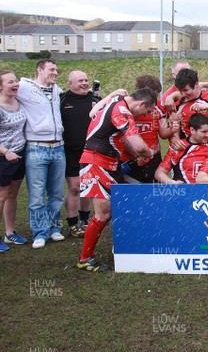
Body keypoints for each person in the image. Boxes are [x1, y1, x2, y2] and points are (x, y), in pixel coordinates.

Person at [77, 88, 156, 271]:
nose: (145, 115)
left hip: (108, 163)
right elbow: (139, 146)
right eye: (147, 111)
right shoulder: (123, 111)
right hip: (96, 162)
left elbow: (92, 113)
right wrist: (149, 152)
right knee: (103, 213)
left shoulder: (117, 100)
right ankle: (85, 258)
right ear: (141, 104)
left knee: (119, 207)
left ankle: (125, 249)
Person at [18, 59, 66, 249]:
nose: (55, 72)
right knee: (37, 194)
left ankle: (54, 228)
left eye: (56, 69)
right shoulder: (24, 87)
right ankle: (39, 232)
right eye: (51, 69)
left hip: (58, 147)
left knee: (56, 193)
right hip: (36, 147)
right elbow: (7, 91)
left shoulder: (57, 90)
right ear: (39, 70)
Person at [60, 70, 101, 237]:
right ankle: (73, 223)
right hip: (70, 152)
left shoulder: (95, 100)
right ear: (70, 83)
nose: (84, 83)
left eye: (86, 80)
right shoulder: (62, 100)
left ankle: (85, 220)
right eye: (80, 81)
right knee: (75, 188)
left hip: (91, 152)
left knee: (87, 188)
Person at [117, 75, 175, 184]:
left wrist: (174, 127)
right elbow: (121, 135)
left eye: (157, 94)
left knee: (154, 195)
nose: (154, 99)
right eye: (153, 94)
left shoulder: (158, 107)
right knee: (130, 196)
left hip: (153, 158)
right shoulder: (126, 108)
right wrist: (136, 153)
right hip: (130, 159)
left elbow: (163, 133)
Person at [0, 71, 28, 251]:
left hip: (19, 156)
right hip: (4, 158)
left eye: (16, 81)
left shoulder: (19, 102)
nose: (16, 84)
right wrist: (6, 151)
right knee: (1, 196)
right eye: (11, 82)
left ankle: (10, 233)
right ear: (1, 86)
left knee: (12, 195)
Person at [155, 114, 208, 184]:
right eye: (204, 132)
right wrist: (172, 183)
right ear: (192, 130)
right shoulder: (180, 147)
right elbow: (159, 173)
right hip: (186, 191)